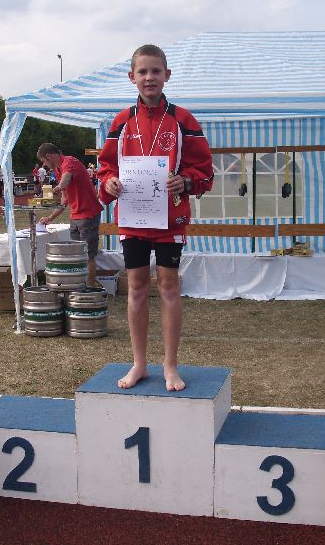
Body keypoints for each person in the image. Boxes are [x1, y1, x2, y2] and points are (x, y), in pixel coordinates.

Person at [97, 44, 213, 392]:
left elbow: (205, 171)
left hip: (169, 220)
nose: (149, 77)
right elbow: (105, 167)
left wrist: (186, 181)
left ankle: (170, 366)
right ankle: (139, 364)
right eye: (143, 72)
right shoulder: (121, 121)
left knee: (168, 286)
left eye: (156, 71)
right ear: (131, 77)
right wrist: (109, 182)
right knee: (135, 287)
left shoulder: (183, 120)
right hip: (133, 218)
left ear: (167, 75)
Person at [37, 142, 103, 288]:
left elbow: (66, 179)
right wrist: (50, 218)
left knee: (88, 255)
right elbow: (65, 199)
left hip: (88, 214)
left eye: (43, 161)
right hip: (75, 216)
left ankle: (89, 288)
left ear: (48, 156)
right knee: (76, 255)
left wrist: (58, 187)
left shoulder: (69, 162)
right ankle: (79, 285)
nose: (44, 165)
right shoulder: (58, 169)